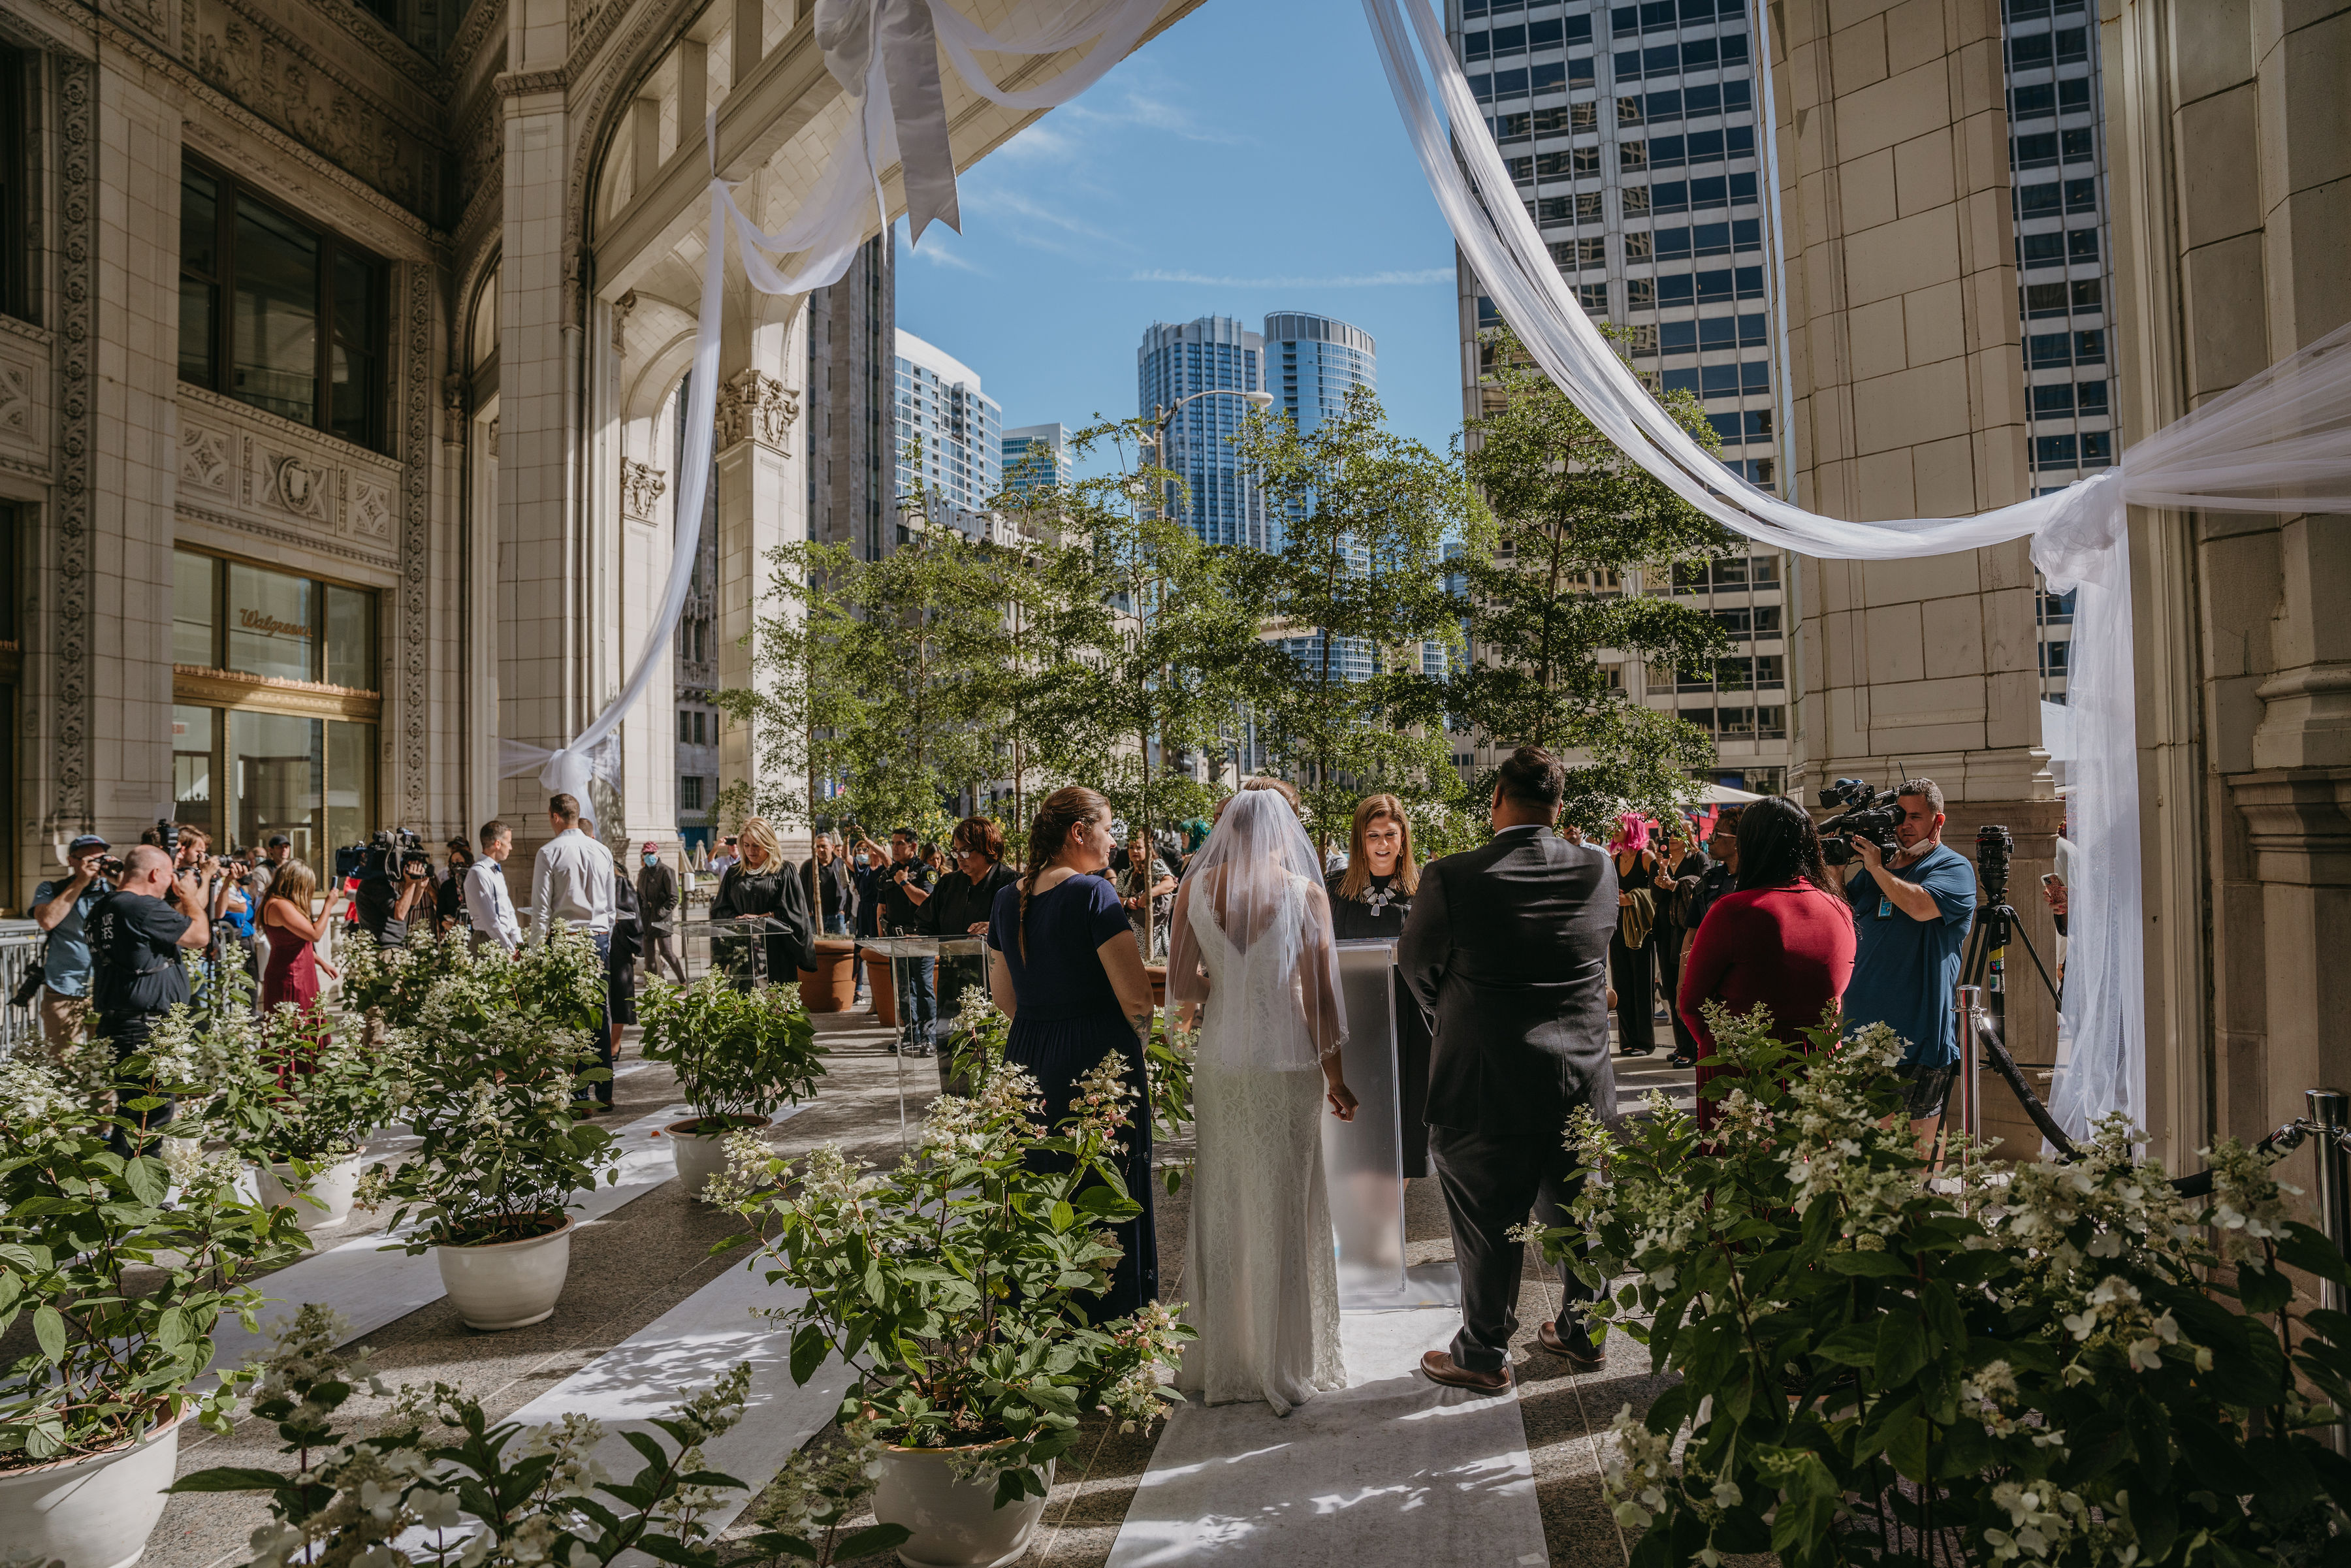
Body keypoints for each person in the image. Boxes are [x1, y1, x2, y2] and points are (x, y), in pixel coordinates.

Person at [1399, 744, 1614, 1392]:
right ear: (1558, 806)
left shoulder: (1453, 876)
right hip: (1578, 1077)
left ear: (1496, 798)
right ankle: (1585, 1333)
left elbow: (1416, 966)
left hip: (1485, 1081)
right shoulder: (1599, 868)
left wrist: (1455, 1014)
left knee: (1488, 1224)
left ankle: (1485, 1353)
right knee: (1581, 1212)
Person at [1166, 779, 1358, 1413]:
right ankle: (1284, 1361)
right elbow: (1321, 997)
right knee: (1286, 1198)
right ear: (1284, 831)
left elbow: (1184, 989)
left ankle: (1224, 1359)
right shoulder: (1304, 893)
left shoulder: (1193, 888)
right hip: (1285, 1061)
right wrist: (1337, 1078)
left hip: (1220, 1061)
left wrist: (1224, 974)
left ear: (1231, 830)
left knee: (1223, 1197)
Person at [985, 786, 1160, 1323]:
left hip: (1029, 1056)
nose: (1114, 838)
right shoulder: (1094, 894)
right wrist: (1141, 1046)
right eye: (1107, 827)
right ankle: (1108, 1325)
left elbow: (1003, 997)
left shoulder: (1006, 898)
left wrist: (1045, 1029)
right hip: (1096, 1059)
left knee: (1041, 1188)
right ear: (1078, 833)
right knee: (1105, 1187)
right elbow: (1136, 997)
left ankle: (1042, 1322)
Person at [1677, 798, 1857, 1130]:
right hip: (1818, 1056)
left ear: (1751, 845)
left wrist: (1722, 1044)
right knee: (1814, 1166)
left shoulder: (1734, 910)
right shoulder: (1839, 907)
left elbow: (1690, 1003)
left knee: (1745, 1172)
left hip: (1745, 1062)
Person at [1835, 777, 1978, 1149]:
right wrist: (1835, 868)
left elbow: (1920, 907)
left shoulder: (1954, 867)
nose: (1904, 825)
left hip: (1919, 1035)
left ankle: (1921, 1204)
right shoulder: (1873, 871)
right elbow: (1840, 914)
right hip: (1860, 1031)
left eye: (1916, 816)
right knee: (1866, 1142)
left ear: (1938, 821)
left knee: (1916, 1142)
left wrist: (1878, 869)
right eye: (1899, 816)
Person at [1324, 793, 1437, 1179]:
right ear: (1360, 840)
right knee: (1357, 1111)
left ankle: (1394, 1215)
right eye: (1373, 836)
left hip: (1411, 1017)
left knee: (1407, 1115)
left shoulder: (1425, 889)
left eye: (1390, 834)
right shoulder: (1335, 889)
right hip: (1354, 1013)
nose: (1383, 845)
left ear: (1404, 837)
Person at [89, 845, 212, 1147]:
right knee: (150, 1118)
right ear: (156, 874)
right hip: (145, 1029)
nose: (173, 882)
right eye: (170, 876)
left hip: (123, 1024)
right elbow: (199, 937)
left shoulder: (103, 907)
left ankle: (122, 1189)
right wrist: (190, 895)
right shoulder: (141, 907)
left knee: (134, 1114)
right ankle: (136, 1193)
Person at [921, 817, 1021, 1091]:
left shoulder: (1012, 885)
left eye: (967, 851)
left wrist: (995, 927)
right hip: (952, 988)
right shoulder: (948, 885)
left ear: (989, 848)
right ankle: (955, 1112)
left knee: (992, 1058)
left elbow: (1029, 928)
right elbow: (926, 927)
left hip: (995, 990)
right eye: (956, 851)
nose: (960, 858)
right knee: (952, 1052)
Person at [532, 793, 618, 1107]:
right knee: (599, 1015)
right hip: (597, 938)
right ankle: (604, 1093)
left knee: (570, 1019)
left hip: (566, 939)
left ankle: (580, 1095)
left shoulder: (549, 851)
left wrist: (537, 953)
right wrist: (604, 934)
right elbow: (611, 908)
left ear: (554, 816)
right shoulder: (602, 850)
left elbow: (542, 909)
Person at [30, 835, 114, 1061]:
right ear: (71, 860)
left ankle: (104, 1100)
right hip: (65, 987)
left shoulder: (115, 890)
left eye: (101, 858)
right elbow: (47, 920)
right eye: (89, 859)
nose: (96, 864)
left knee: (104, 1061)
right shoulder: (53, 888)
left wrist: (119, 878)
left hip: (106, 988)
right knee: (64, 1060)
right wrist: (80, 883)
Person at [709, 817, 817, 993]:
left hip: (776, 950)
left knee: (775, 1005)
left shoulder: (784, 871)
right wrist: (738, 919)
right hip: (742, 951)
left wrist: (761, 919)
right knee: (744, 1005)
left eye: (756, 845)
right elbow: (720, 909)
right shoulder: (734, 873)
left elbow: (794, 911)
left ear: (769, 843)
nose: (751, 851)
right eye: (746, 845)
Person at [856, 827, 937, 1056]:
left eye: (900, 843)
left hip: (920, 938)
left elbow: (927, 902)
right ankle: (911, 1035)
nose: (896, 847)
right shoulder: (888, 872)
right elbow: (881, 906)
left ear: (913, 846)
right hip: (897, 939)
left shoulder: (925, 872)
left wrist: (904, 883)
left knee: (923, 987)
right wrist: (882, 936)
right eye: (894, 843)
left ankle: (929, 1038)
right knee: (903, 989)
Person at [1651, 822, 1710, 1068]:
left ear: (1688, 835)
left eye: (1677, 832)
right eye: (1668, 834)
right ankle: (1682, 1045)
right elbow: (1656, 897)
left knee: (1686, 986)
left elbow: (1704, 890)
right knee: (1670, 984)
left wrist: (1675, 885)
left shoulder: (1698, 857)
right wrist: (1662, 875)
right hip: (1665, 931)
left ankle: (1696, 1046)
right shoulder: (1658, 862)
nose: (1672, 837)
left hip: (1688, 931)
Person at [1607, 813, 1663, 1057]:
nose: (1615, 828)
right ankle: (1627, 1041)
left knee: (1642, 985)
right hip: (1618, 930)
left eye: (1621, 825)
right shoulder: (1613, 860)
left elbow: (1657, 892)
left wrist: (1631, 898)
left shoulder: (1646, 857)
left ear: (1633, 828)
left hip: (1642, 931)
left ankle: (1644, 1042)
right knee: (1622, 984)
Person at [259, 860, 342, 1016]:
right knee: (295, 1025)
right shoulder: (279, 905)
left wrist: (322, 963)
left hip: (300, 970)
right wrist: (329, 905)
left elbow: (295, 944)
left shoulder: (281, 903)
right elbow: (315, 934)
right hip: (291, 974)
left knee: (306, 1022)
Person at [1115, 831, 1177, 959]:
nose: (1135, 851)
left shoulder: (1155, 866)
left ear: (1147, 848)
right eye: (1131, 847)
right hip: (1131, 934)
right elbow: (1116, 899)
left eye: (1139, 847)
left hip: (1154, 934)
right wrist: (1127, 901)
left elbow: (1170, 884)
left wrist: (1148, 895)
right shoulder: (1124, 874)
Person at [464, 820, 523, 953]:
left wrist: (517, 940)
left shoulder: (496, 871)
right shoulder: (478, 873)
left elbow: (508, 909)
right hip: (486, 940)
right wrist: (509, 948)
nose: (511, 847)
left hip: (503, 940)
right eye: (508, 843)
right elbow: (489, 919)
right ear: (498, 844)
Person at [638, 841, 687, 983]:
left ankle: (683, 980)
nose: (649, 857)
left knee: (666, 951)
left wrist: (660, 913)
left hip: (662, 918)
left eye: (651, 853)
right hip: (647, 917)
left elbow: (674, 897)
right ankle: (654, 984)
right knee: (649, 955)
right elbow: (639, 896)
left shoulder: (666, 871)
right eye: (646, 854)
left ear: (657, 853)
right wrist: (641, 914)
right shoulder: (643, 872)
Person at [608, 865, 642, 1064]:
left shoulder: (619, 882)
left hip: (617, 945)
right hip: (591, 942)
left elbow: (632, 914)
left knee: (620, 993)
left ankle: (615, 1042)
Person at [804, 833, 850, 938]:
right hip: (814, 918)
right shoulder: (808, 866)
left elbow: (846, 887)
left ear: (832, 847)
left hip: (837, 916)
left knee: (838, 949)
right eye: (818, 847)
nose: (820, 850)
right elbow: (800, 889)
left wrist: (843, 910)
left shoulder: (840, 864)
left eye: (823, 846)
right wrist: (808, 911)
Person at [437, 837, 473, 933]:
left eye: (458, 861)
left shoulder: (476, 882)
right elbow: (441, 910)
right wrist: (445, 923)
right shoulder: (447, 885)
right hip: (454, 931)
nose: (456, 865)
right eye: (453, 862)